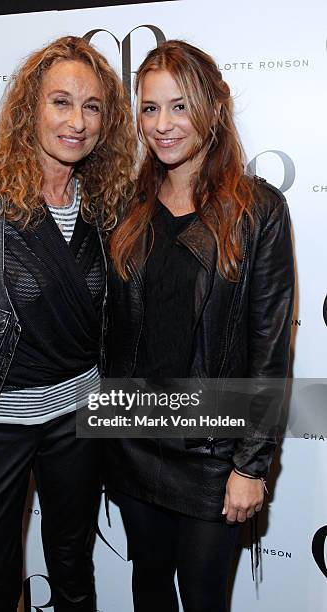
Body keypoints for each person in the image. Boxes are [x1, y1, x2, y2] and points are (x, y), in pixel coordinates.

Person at [0, 36, 135, 612]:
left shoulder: (106, 204)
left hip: (77, 422)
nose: (77, 121)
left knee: (73, 571)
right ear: (29, 110)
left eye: (92, 107)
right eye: (61, 102)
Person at [105, 40, 294, 612]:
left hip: (214, 452)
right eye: (149, 108)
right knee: (149, 592)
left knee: (206, 598)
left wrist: (249, 465)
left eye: (179, 106)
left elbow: (270, 348)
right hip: (134, 443)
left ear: (212, 107)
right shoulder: (126, 207)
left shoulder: (256, 210)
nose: (162, 125)